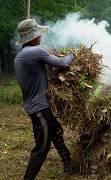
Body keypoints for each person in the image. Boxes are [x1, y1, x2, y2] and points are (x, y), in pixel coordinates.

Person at [14, 19, 75, 180]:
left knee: (56, 130)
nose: (40, 35)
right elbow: (62, 63)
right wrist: (72, 55)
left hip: (35, 107)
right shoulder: (34, 52)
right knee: (41, 148)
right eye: (38, 33)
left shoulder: (22, 55)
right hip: (39, 108)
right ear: (33, 37)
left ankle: (68, 161)